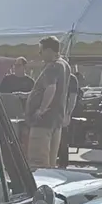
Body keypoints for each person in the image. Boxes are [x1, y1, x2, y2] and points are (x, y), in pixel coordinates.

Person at [23, 35, 69, 167]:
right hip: (55, 120)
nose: (40, 53)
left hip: (43, 121)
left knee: (38, 161)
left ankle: (39, 186)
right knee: (50, 161)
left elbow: (51, 88)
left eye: (41, 50)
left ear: (49, 50)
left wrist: (41, 109)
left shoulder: (53, 67)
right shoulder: (65, 65)